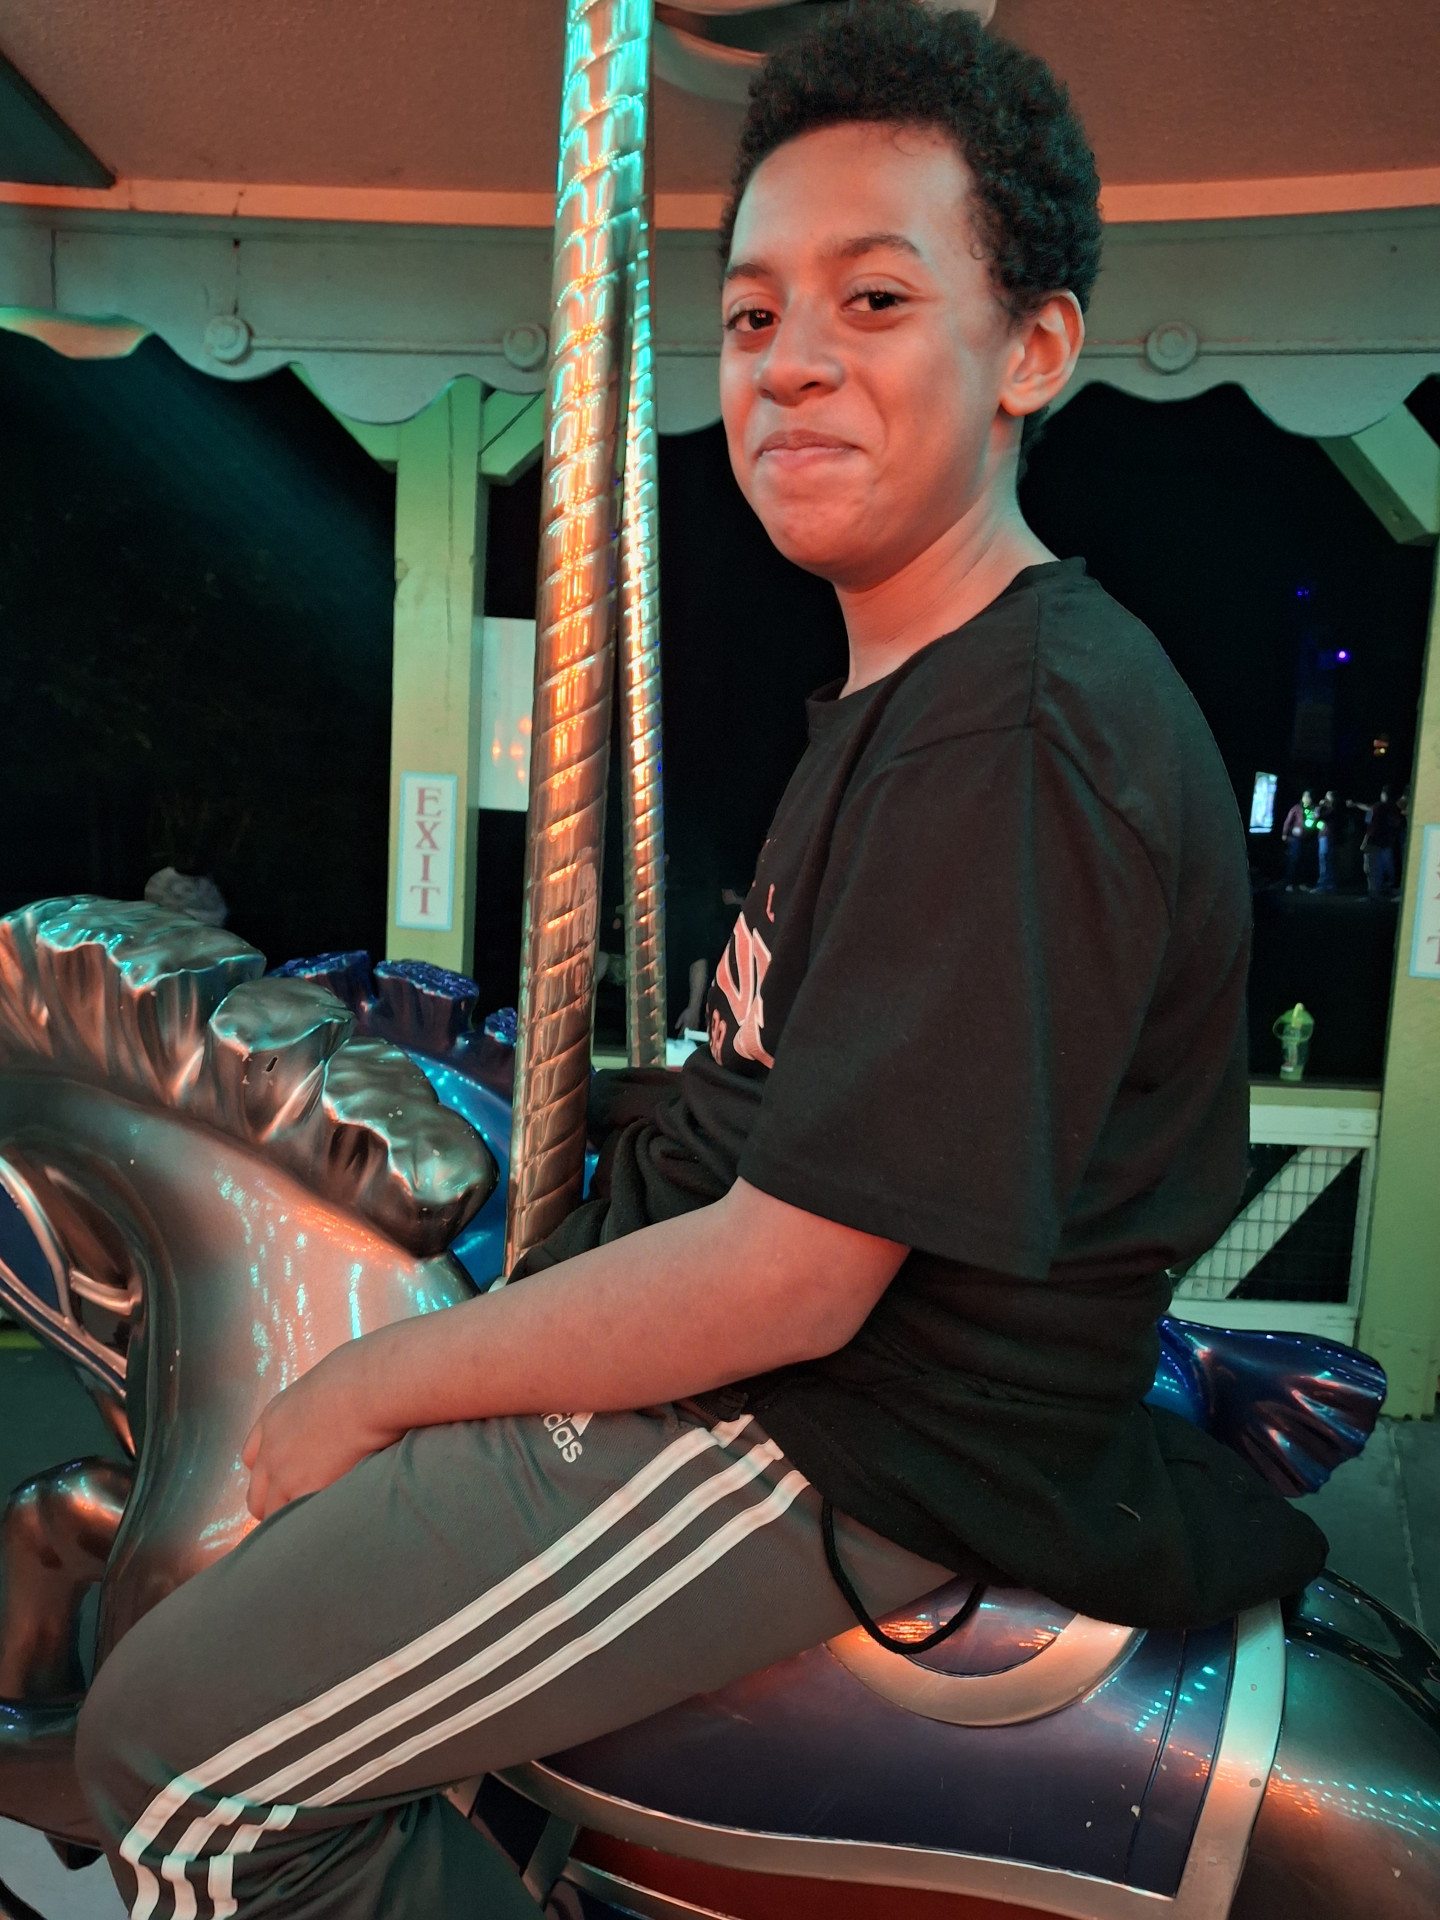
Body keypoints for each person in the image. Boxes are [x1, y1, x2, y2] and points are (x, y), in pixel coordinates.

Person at [76, 9, 1326, 1915]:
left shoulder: (1017, 729)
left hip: (839, 1439)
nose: (790, 362)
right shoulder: (916, 695)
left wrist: (382, 1391)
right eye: (751, 316)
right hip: (804, 1380)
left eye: (876, 300)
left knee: (170, 1758)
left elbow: (797, 1274)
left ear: (1035, 349)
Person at [1350, 785, 1403, 895]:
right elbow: (1396, 824)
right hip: (1386, 842)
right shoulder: (1395, 808)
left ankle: (1374, 893)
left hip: (1374, 840)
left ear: (1384, 795)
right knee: (1383, 867)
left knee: (1370, 867)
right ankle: (1385, 888)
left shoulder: (1380, 807)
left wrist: (1355, 804)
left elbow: (1368, 808)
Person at [1280, 788, 1314, 890]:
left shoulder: (1312, 809)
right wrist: (1284, 834)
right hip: (1295, 838)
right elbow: (1288, 821)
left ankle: (1301, 883)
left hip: (1307, 839)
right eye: (1305, 796)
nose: (1307, 799)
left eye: (1309, 797)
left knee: (1304, 861)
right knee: (1293, 860)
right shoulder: (1296, 808)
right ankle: (1289, 883)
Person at [1314, 788, 1339, 891]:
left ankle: (1323, 885)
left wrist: (1320, 806)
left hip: (1327, 836)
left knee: (1324, 859)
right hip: (1325, 836)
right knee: (1327, 860)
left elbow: (1318, 816)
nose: (1325, 798)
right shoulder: (1329, 809)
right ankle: (1329, 884)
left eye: (1328, 796)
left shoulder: (1332, 809)